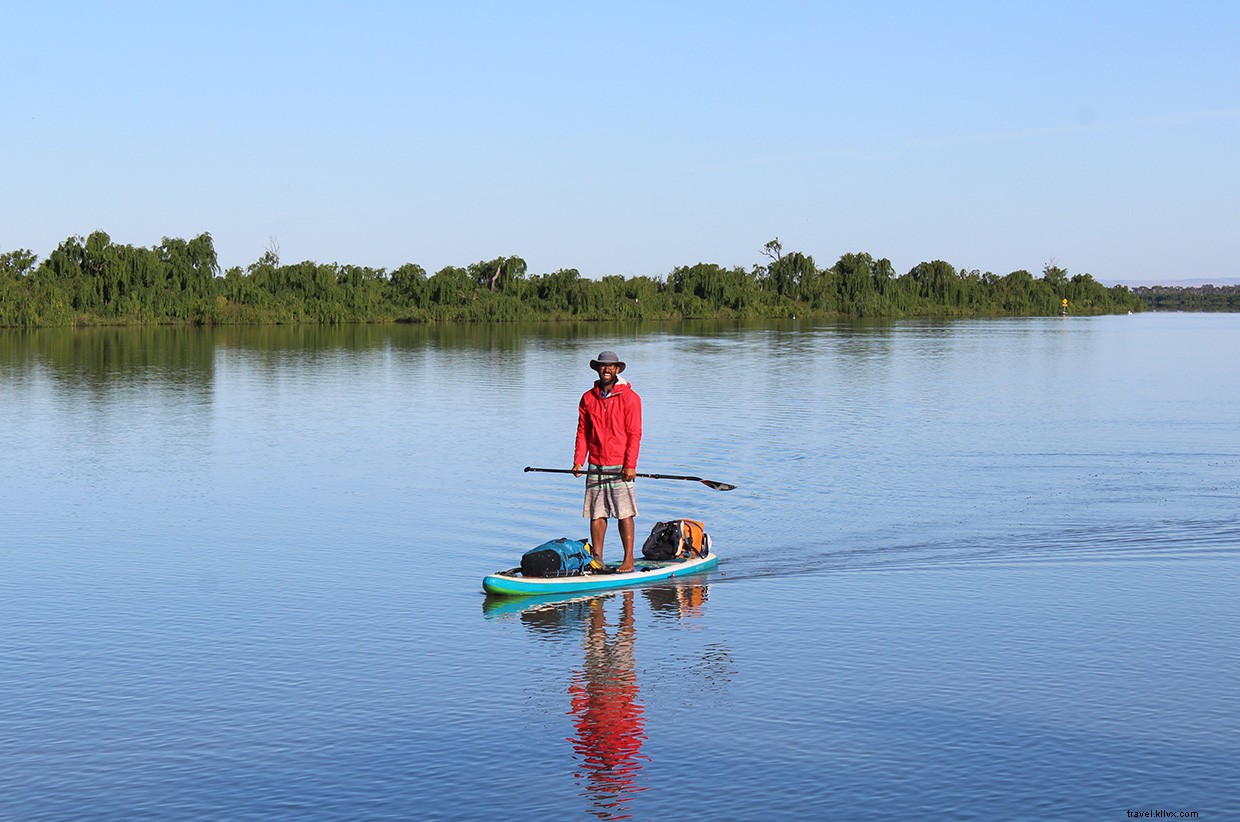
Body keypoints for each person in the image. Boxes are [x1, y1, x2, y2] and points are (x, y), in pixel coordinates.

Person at [573, 351, 642, 572]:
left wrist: (630, 465)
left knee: (624, 513)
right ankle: (597, 560)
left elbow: (634, 433)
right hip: (596, 464)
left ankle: (628, 560)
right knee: (597, 513)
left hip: (621, 465)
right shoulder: (588, 398)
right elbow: (582, 431)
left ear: (618, 370)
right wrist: (578, 461)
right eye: (603, 366)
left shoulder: (630, 398)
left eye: (611, 366)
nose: (607, 370)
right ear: (597, 369)